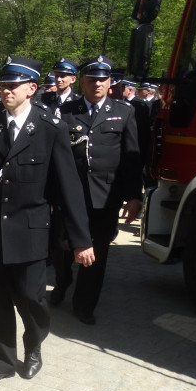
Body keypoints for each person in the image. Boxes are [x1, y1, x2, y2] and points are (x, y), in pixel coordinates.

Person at [0, 56, 94, 387]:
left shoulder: (50, 130)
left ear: (32, 89)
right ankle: (0, 360)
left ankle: (33, 347)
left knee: (32, 301)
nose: (5, 90)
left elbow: (69, 189)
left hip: (29, 234)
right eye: (3, 85)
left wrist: (81, 240)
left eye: (13, 85)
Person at [53, 56, 143, 325]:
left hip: (105, 196)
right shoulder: (67, 111)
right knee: (61, 248)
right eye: (91, 79)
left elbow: (132, 157)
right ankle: (61, 283)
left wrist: (134, 196)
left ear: (110, 82)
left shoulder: (124, 112)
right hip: (70, 195)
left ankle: (84, 304)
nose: (97, 84)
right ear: (82, 81)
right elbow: (55, 156)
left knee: (98, 253)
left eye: (103, 79)